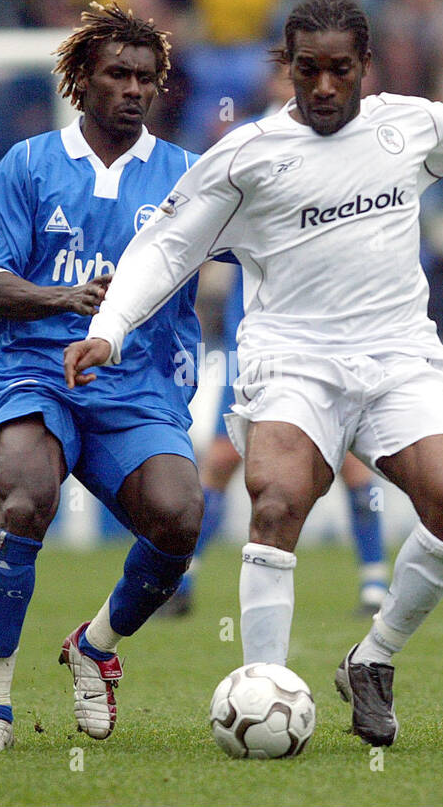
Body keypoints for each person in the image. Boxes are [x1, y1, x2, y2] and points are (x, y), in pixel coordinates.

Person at [65, 0, 443, 747]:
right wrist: (110, 328)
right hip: (293, 358)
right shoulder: (247, 155)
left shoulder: (410, 126)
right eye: (307, 71)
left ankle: (372, 659)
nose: (322, 87)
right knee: (277, 498)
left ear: (364, 68)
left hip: (399, 353)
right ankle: (266, 687)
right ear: (287, 68)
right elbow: (166, 245)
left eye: (338, 71)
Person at [0, 3, 205, 753]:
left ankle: (95, 645)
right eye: (117, 74)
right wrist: (63, 297)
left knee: (180, 518)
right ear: (81, 81)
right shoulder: (28, 164)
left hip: (135, 386)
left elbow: (256, 248)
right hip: (30, 374)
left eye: (146, 78)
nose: (133, 89)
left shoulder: (187, 178)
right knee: (28, 498)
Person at [162, 256, 390, 620]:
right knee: (221, 460)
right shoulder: (249, 207)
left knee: (346, 459)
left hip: (318, 350)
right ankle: (180, 584)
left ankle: (375, 585)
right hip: (248, 353)